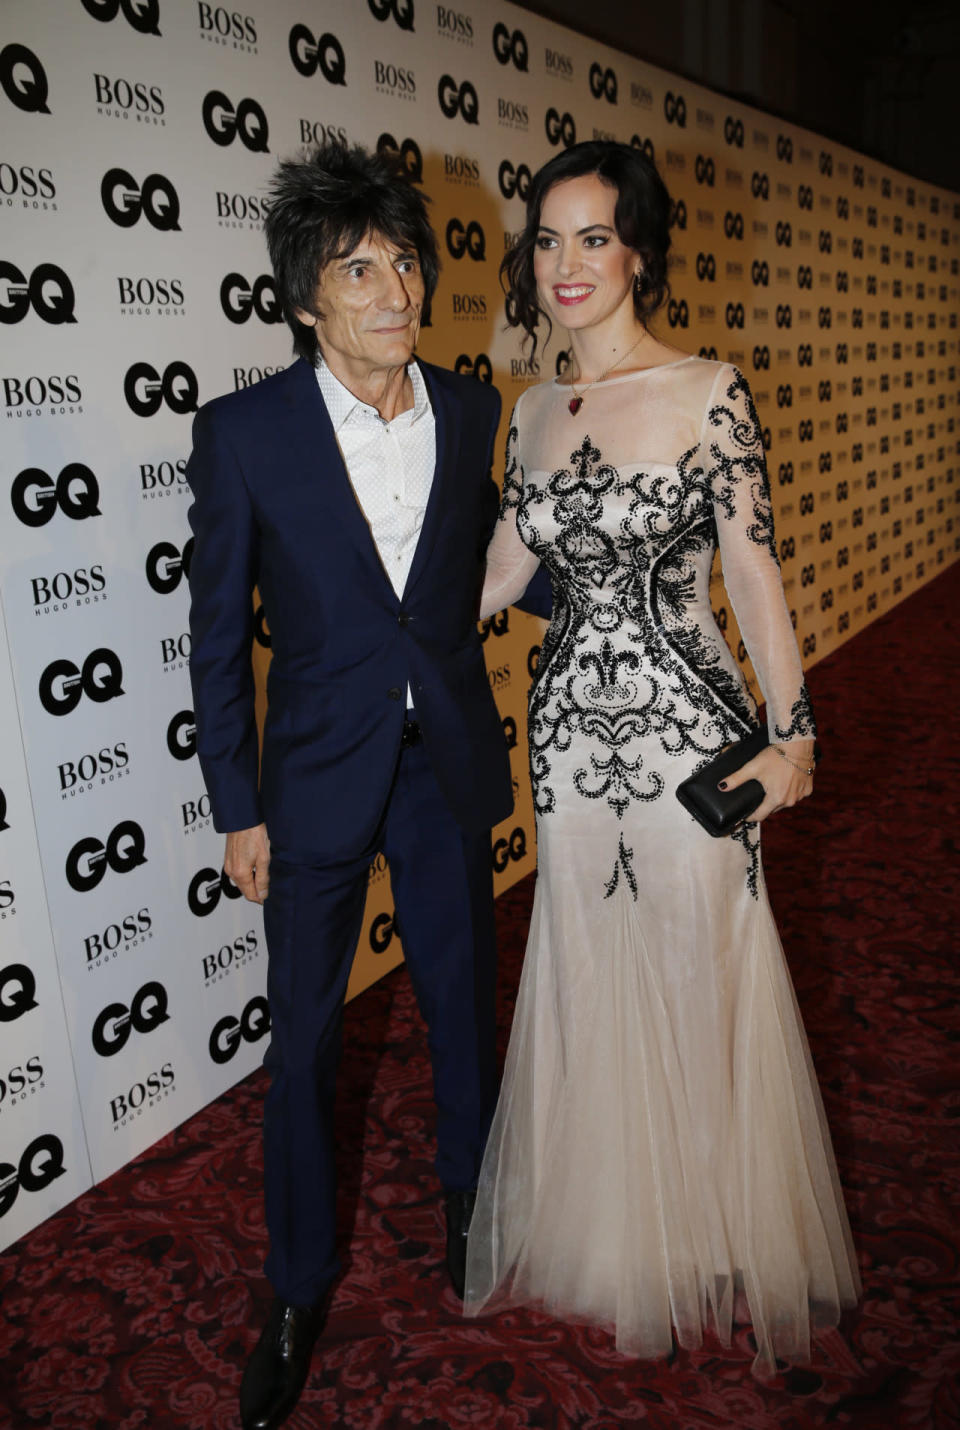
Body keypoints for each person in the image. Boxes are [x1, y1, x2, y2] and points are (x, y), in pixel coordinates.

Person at [463, 141, 860, 1378]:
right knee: (589, 956)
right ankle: (615, 1221)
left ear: (639, 249)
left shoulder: (708, 389)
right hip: (572, 741)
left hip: (693, 730)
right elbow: (500, 574)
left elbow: (752, 573)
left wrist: (794, 735)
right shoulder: (529, 410)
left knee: (702, 956)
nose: (570, 264)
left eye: (595, 237)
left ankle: (718, 1215)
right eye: (550, 239)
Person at [186, 142, 512, 1430]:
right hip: (312, 784)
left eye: (406, 261)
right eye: (358, 268)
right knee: (305, 1043)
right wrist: (233, 805)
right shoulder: (244, 432)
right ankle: (296, 1282)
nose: (394, 289)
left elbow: (487, 568)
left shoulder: (478, 410)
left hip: (444, 767)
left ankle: (472, 1201)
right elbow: (217, 636)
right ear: (306, 301)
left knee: (464, 1010)